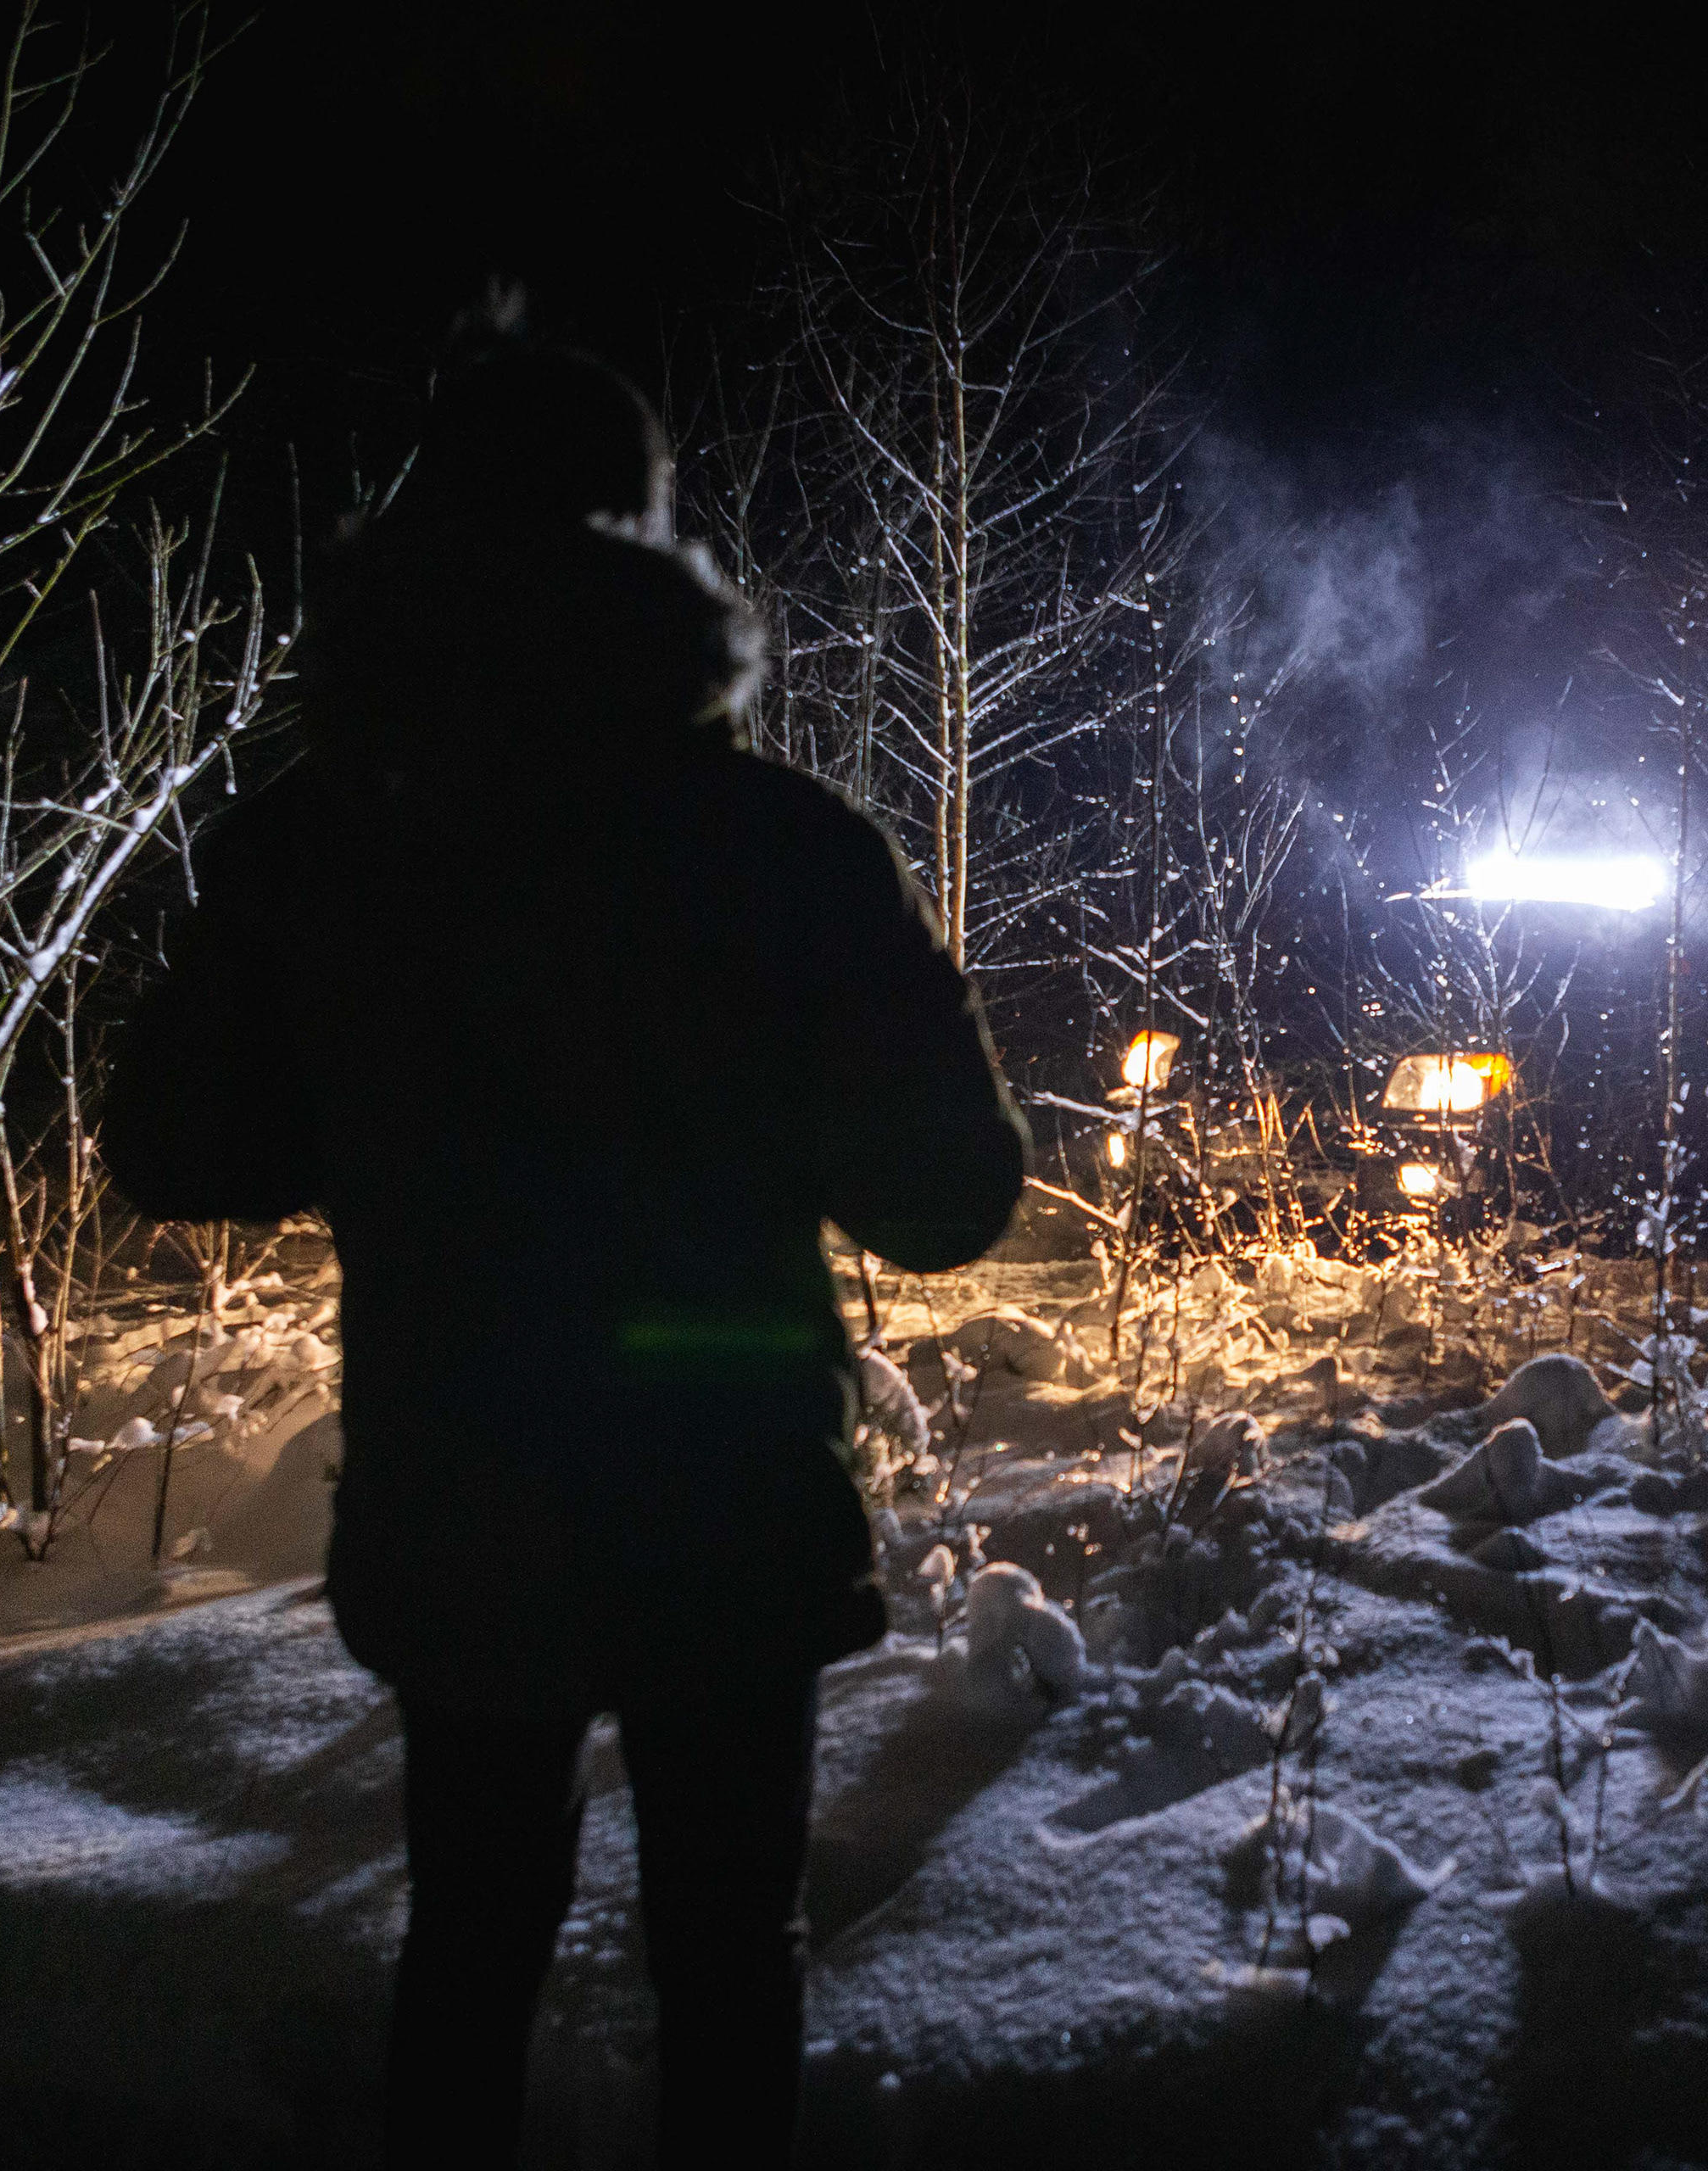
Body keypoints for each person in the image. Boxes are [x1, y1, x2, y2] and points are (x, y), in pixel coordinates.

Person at [100, 334, 1027, 2166]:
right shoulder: (775, 847)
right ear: (654, 555)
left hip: (465, 1490)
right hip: (724, 1498)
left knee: (471, 1947)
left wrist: (368, 1079)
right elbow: (948, 1198)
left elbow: (178, 1148)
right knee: (728, 1961)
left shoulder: (317, 850)